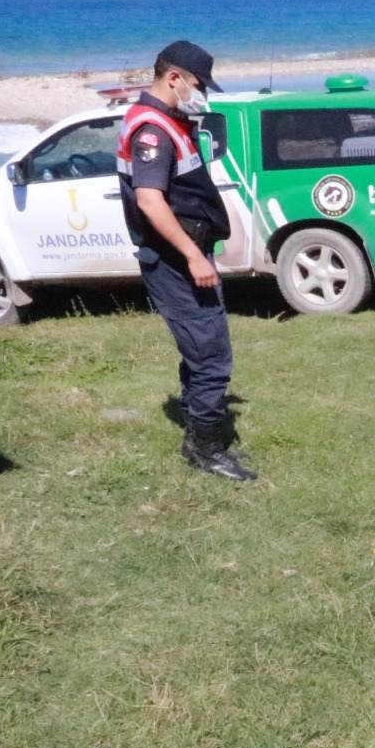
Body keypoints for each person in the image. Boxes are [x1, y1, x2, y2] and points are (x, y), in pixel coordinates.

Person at [116, 40, 255, 481]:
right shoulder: (152, 130)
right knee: (212, 354)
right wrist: (195, 256)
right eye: (197, 85)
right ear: (173, 78)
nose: (202, 95)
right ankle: (205, 447)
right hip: (174, 261)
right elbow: (152, 203)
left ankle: (197, 416)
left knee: (200, 347)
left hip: (186, 254)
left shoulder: (173, 121)